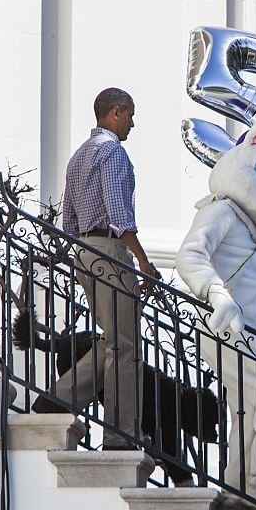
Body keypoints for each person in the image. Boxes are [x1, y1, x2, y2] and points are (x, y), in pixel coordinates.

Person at [55, 87, 162, 454]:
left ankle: (56, 400)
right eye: (130, 114)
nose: (133, 123)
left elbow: (67, 218)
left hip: (84, 251)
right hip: (110, 251)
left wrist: (82, 251)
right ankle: (121, 435)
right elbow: (120, 217)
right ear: (115, 112)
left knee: (113, 340)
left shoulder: (79, 155)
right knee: (126, 347)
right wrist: (144, 263)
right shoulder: (112, 151)